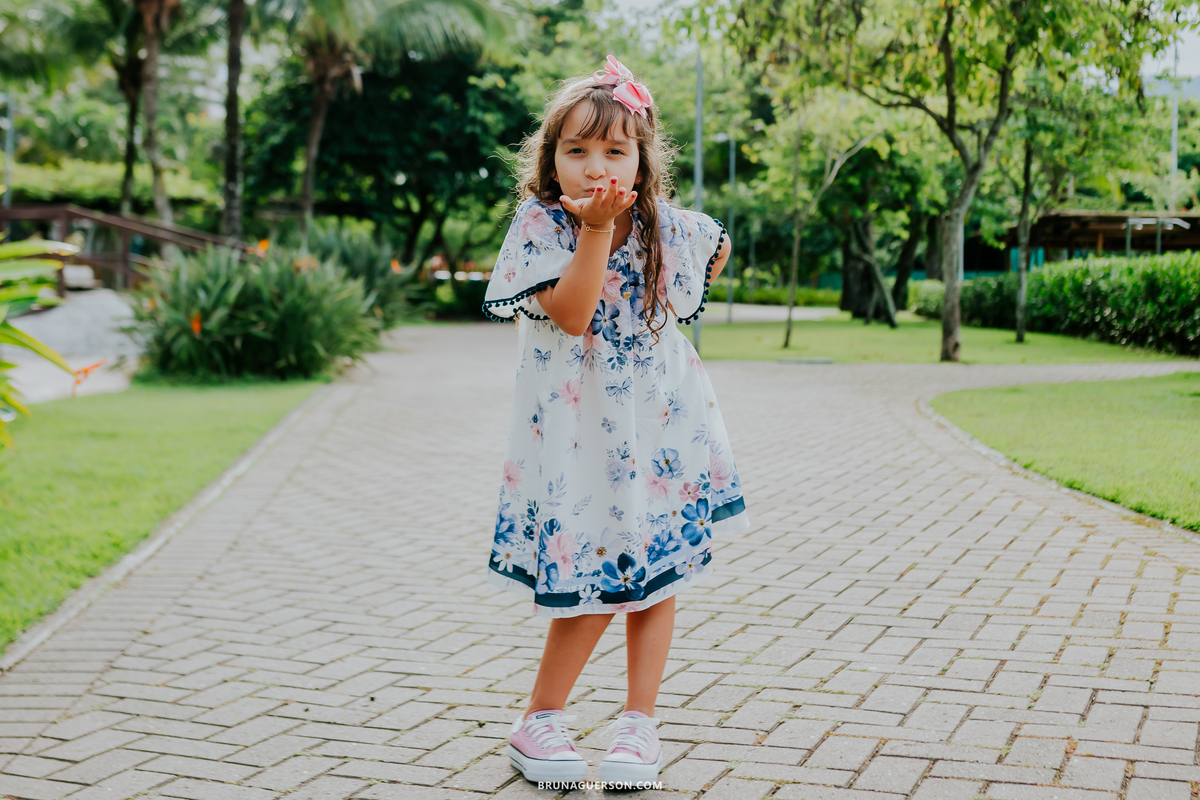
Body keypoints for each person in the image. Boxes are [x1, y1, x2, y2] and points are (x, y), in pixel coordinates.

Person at [482, 54, 750, 786]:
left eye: (613, 149)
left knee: (657, 572)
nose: (595, 165)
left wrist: (661, 325)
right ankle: (539, 718)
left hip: (659, 428)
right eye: (576, 149)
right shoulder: (541, 223)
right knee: (601, 568)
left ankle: (640, 724)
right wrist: (596, 232)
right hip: (579, 434)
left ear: (641, 158)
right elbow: (571, 315)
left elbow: (716, 247)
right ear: (550, 160)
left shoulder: (663, 224)